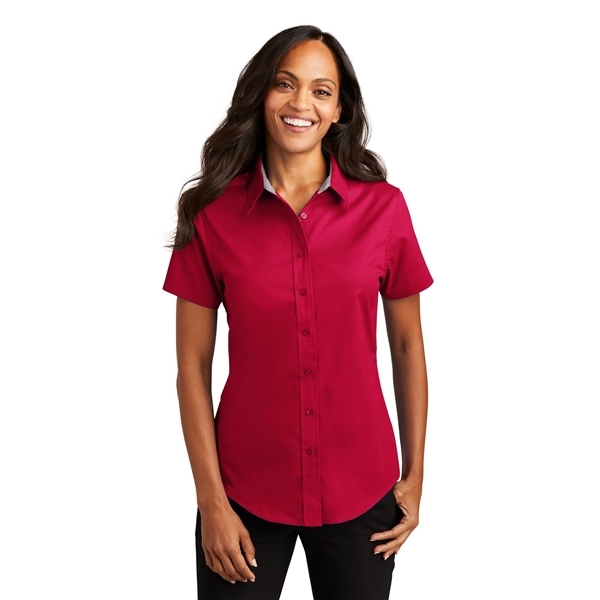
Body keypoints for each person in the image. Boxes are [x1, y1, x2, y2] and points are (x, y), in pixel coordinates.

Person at [162, 25, 433, 600]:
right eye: (285, 84)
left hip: (362, 489)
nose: (301, 103)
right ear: (262, 94)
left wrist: (414, 473)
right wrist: (211, 502)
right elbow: (191, 366)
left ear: (338, 110)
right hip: (243, 492)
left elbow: (408, 344)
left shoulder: (384, 210)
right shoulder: (211, 214)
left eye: (320, 90)